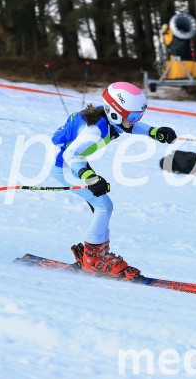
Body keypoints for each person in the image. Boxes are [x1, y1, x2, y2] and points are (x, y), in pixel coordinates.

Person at [51, 81, 178, 280]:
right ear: (116, 113)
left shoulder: (111, 118)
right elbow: (71, 155)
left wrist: (154, 132)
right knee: (103, 206)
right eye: (134, 116)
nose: (136, 120)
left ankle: (96, 254)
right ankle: (93, 259)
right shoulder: (93, 132)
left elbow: (129, 128)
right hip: (65, 167)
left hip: (77, 163)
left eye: (140, 116)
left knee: (100, 206)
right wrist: (89, 177)